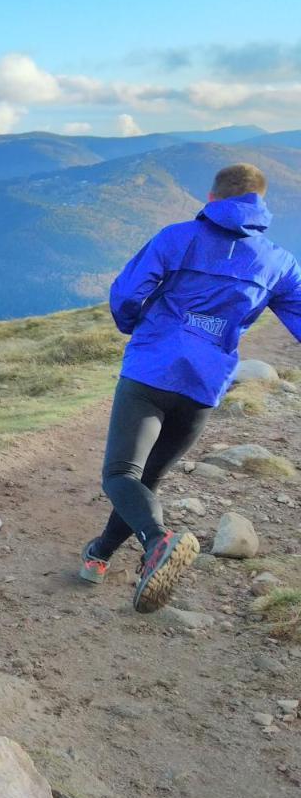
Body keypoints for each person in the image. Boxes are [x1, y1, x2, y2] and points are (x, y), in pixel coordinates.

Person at [80, 163, 301, 612]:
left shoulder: (176, 237)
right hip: (204, 385)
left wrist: (135, 328)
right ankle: (99, 555)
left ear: (212, 198)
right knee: (148, 478)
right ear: (261, 204)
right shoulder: (278, 261)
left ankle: (158, 542)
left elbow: (126, 295)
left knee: (121, 474)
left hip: (152, 370)